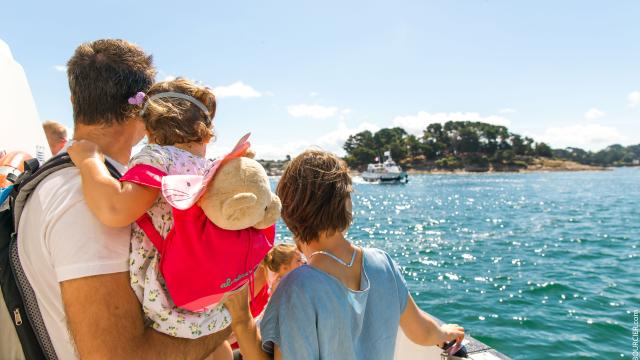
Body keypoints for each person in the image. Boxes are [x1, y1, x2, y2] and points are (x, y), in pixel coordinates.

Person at [17, 39, 230, 359]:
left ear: (74, 99)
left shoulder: (91, 182)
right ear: (143, 112)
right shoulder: (84, 199)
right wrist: (232, 315)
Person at [225, 150, 465, 360]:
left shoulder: (296, 288)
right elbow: (421, 331)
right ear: (345, 204)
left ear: (288, 213)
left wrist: (242, 320)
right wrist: (445, 334)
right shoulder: (383, 262)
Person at [67, 77, 236, 359]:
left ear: (148, 129)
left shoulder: (158, 159)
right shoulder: (211, 169)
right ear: (206, 135)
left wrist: (89, 160)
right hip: (210, 301)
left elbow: (115, 209)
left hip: (169, 303)